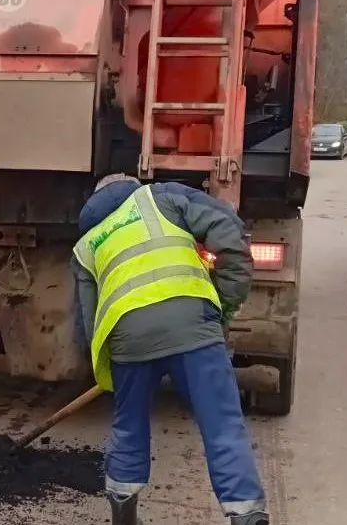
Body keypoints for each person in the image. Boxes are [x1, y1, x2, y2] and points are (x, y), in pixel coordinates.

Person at [71, 173, 269, 525]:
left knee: (128, 427)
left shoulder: (86, 245)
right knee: (222, 425)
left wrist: (110, 362)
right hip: (192, 324)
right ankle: (246, 514)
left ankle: (123, 514)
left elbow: (87, 321)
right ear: (130, 187)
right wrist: (223, 304)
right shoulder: (161, 196)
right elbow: (227, 228)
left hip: (128, 340)